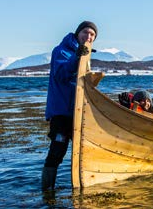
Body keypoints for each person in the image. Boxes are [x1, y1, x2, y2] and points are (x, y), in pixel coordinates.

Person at [42, 21, 97, 191]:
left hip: (79, 112)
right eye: (85, 32)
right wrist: (77, 57)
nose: (88, 37)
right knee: (58, 150)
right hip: (61, 112)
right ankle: (47, 191)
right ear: (78, 33)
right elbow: (61, 74)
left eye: (92, 35)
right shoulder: (61, 51)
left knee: (83, 151)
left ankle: (81, 188)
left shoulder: (85, 55)